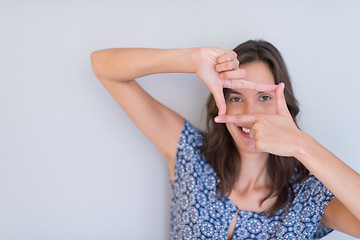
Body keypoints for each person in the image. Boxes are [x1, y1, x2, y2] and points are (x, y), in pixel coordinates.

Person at [90, 40, 360, 239]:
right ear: (222, 103)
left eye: (264, 98)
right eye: (236, 97)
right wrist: (190, 59)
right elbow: (102, 65)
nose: (248, 113)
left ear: (284, 106)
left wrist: (301, 144)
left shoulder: (308, 198)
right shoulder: (190, 154)